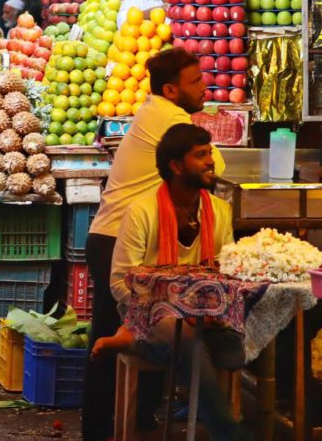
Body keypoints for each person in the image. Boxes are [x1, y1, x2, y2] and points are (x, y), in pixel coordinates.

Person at [82, 48, 226, 440]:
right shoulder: (169, 116)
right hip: (118, 240)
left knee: (144, 334)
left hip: (121, 235)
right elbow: (216, 168)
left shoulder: (157, 110)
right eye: (195, 81)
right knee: (112, 339)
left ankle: (139, 424)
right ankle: (96, 431)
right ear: (171, 89)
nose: (204, 87)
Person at [95, 123, 249, 441]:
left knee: (235, 347)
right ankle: (232, 434)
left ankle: (129, 341)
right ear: (176, 166)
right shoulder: (142, 213)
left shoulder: (220, 212)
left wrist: (203, 311)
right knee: (186, 341)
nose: (211, 161)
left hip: (207, 316)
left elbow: (226, 275)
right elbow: (119, 283)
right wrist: (170, 309)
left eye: (210, 152)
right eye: (201, 155)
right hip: (150, 316)